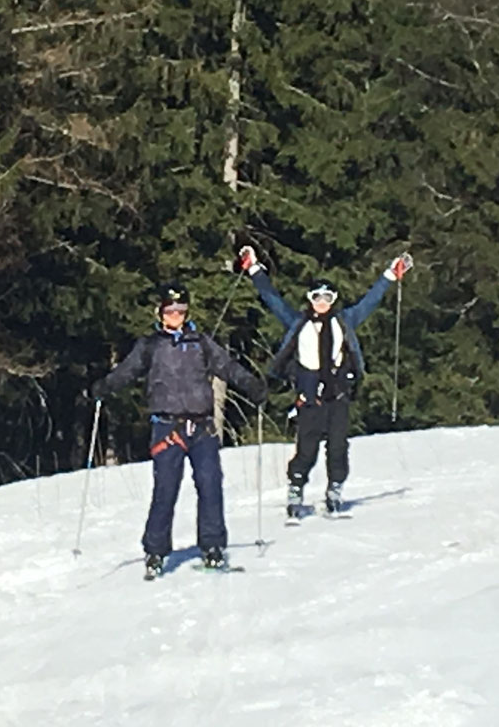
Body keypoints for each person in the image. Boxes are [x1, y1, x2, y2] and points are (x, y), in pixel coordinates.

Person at [89, 283, 268, 579]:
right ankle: (155, 551)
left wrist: (252, 386)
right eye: (170, 311)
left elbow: (227, 367)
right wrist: (104, 387)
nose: (176, 315)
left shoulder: (200, 342)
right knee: (165, 490)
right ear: (160, 312)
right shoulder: (150, 345)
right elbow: (128, 371)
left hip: (201, 427)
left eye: (181, 311)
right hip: (167, 427)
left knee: (210, 485)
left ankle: (212, 547)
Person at [239, 245, 407, 517]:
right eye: (317, 296)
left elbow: (370, 300)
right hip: (308, 392)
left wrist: (391, 273)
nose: (322, 301)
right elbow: (272, 299)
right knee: (307, 448)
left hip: (337, 391)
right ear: (310, 298)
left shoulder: (344, 320)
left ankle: (335, 488)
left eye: (327, 296)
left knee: (338, 446)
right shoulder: (298, 321)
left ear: (333, 299)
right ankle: (296, 487)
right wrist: (254, 268)